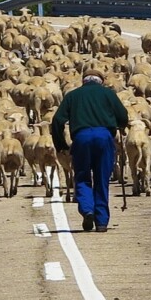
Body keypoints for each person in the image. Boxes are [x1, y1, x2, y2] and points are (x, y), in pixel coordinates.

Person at [51, 67, 129, 233]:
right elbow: (123, 116)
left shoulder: (72, 95)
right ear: (101, 81)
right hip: (104, 137)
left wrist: (61, 145)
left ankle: (87, 210)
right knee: (102, 178)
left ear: (83, 81)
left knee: (82, 176)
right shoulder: (108, 94)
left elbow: (57, 120)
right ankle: (101, 222)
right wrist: (120, 125)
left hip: (81, 138)